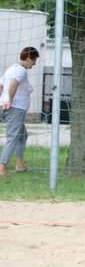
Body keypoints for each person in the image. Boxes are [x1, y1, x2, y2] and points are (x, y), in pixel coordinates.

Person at [0, 46, 39, 177]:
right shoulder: (21, 70)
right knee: (13, 137)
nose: (34, 64)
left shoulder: (11, 68)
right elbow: (13, 84)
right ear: (27, 58)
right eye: (34, 60)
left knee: (22, 135)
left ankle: (19, 164)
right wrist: (9, 100)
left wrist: (2, 100)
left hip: (9, 107)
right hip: (15, 109)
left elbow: (1, 85)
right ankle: (1, 168)